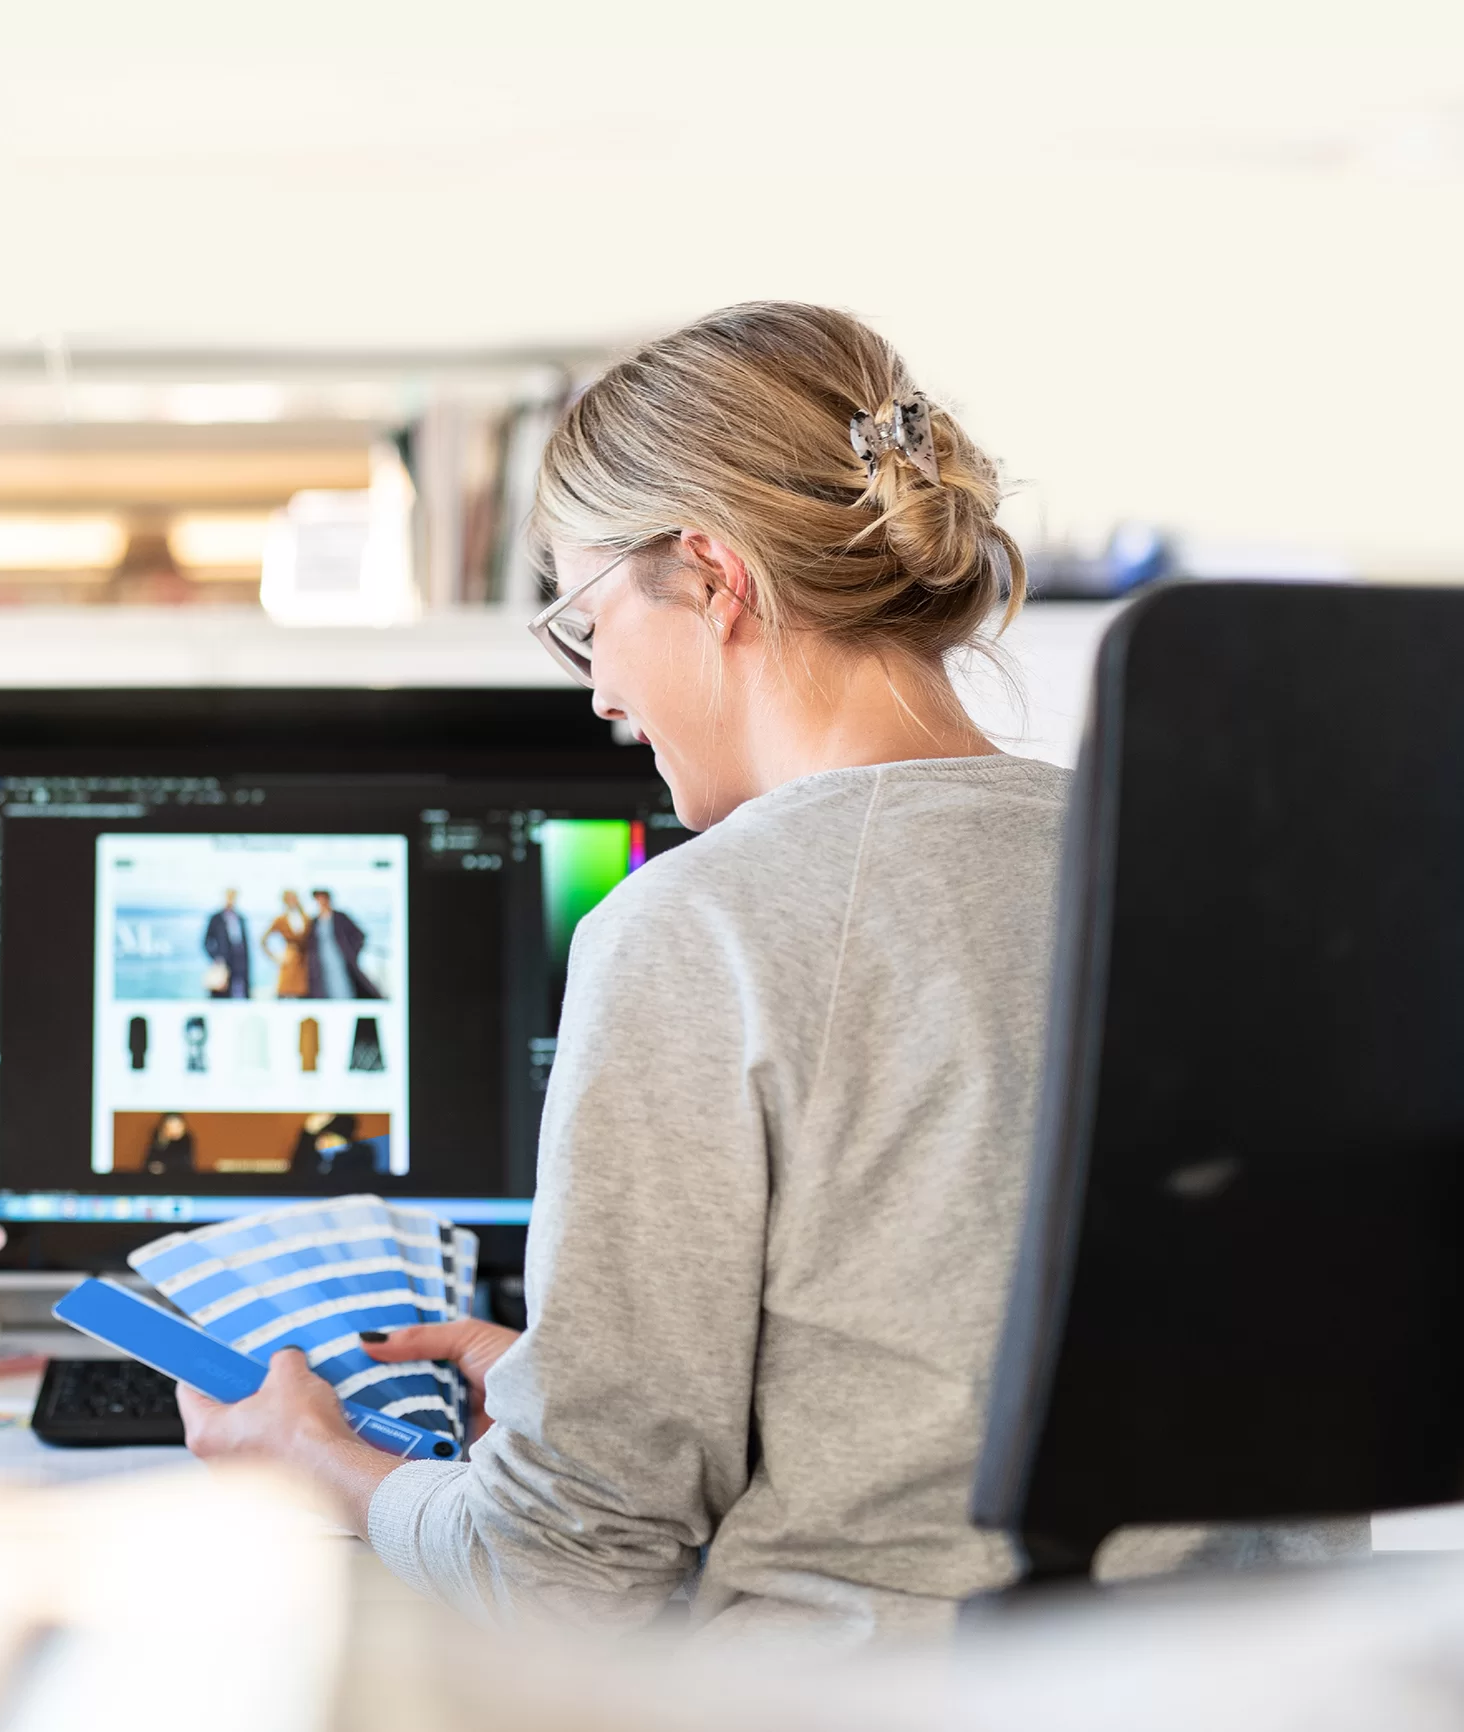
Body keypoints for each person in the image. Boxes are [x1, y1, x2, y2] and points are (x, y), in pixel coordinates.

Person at [177, 302, 1139, 1638]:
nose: (597, 695)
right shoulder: (1170, 871)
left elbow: (564, 1578)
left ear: (707, 573)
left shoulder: (699, 925)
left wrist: (319, 1462)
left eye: (585, 619)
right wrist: (591, 1386)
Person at [303, 890, 380, 999]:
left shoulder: (340, 916)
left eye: (323, 898)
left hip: (338, 957)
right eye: (318, 899)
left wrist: (351, 952)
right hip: (321, 960)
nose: (321, 902)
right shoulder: (315, 920)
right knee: (324, 985)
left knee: (342, 984)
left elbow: (359, 935)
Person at [262, 890, 312, 998]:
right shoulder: (281, 919)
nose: (292, 901)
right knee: (287, 992)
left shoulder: (306, 918)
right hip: (290, 959)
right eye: (289, 899)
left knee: (304, 993)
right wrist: (275, 958)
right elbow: (264, 940)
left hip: (305, 961)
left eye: (294, 898)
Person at [202, 889, 251, 998]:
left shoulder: (240, 918)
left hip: (239, 961)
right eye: (229, 896)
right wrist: (217, 957)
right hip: (224, 961)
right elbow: (206, 941)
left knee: (239, 992)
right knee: (221, 992)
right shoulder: (216, 918)